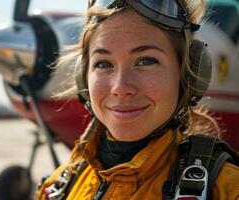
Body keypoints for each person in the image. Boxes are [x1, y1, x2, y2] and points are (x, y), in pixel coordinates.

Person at [35, 0, 239, 199]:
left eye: (146, 61)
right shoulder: (56, 187)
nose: (121, 88)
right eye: (104, 64)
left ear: (187, 75)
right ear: (83, 78)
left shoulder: (227, 189)